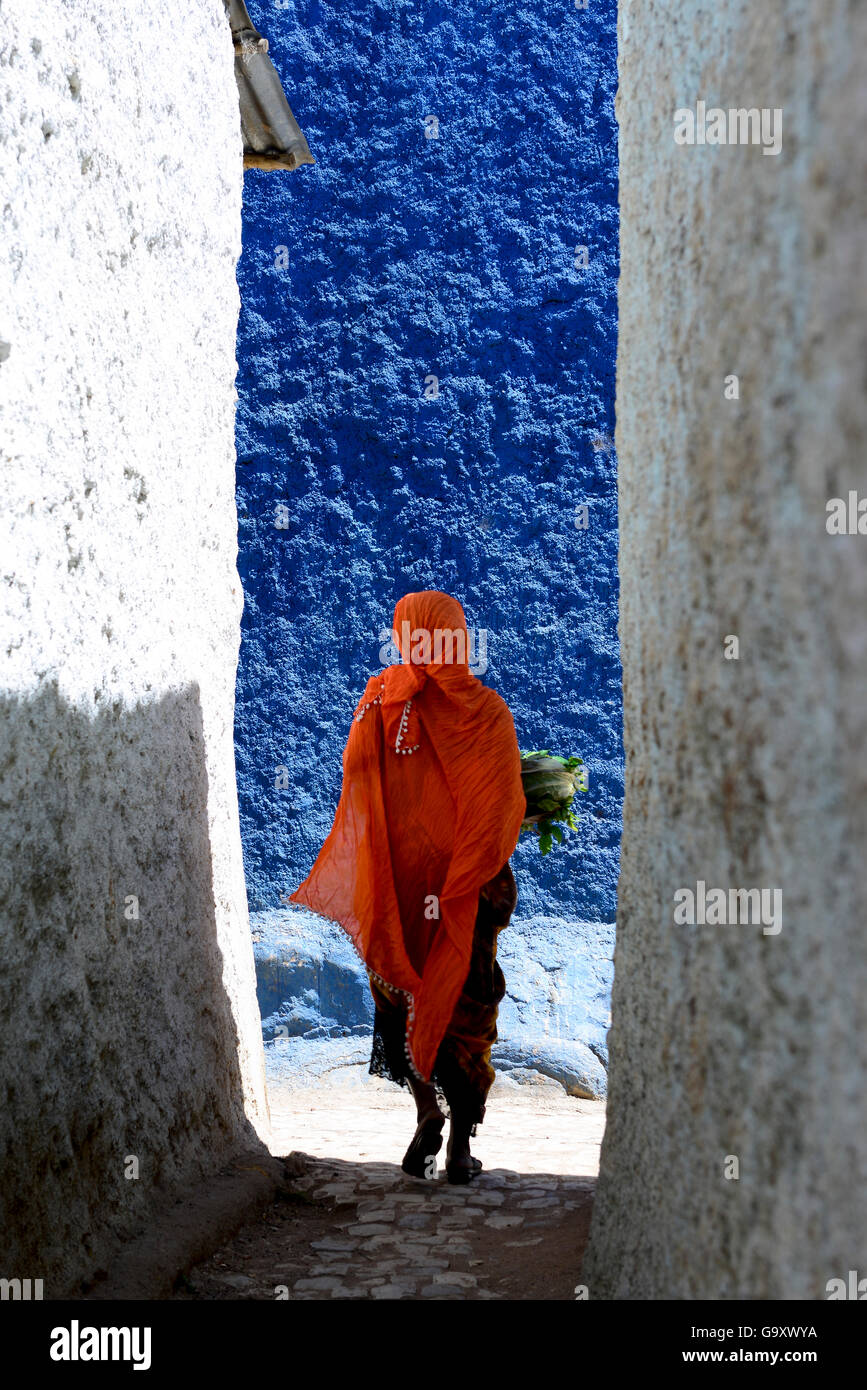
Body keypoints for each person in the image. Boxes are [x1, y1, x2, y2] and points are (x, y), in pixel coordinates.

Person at [290, 590, 526, 1183]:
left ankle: (426, 1111)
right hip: (461, 895)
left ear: (406, 637)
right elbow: (501, 810)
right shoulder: (486, 713)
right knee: (466, 1010)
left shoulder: (378, 702)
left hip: (400, 894)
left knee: (405, 1000)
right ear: (457, 636)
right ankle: (461, 1150)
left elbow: (358, 786)